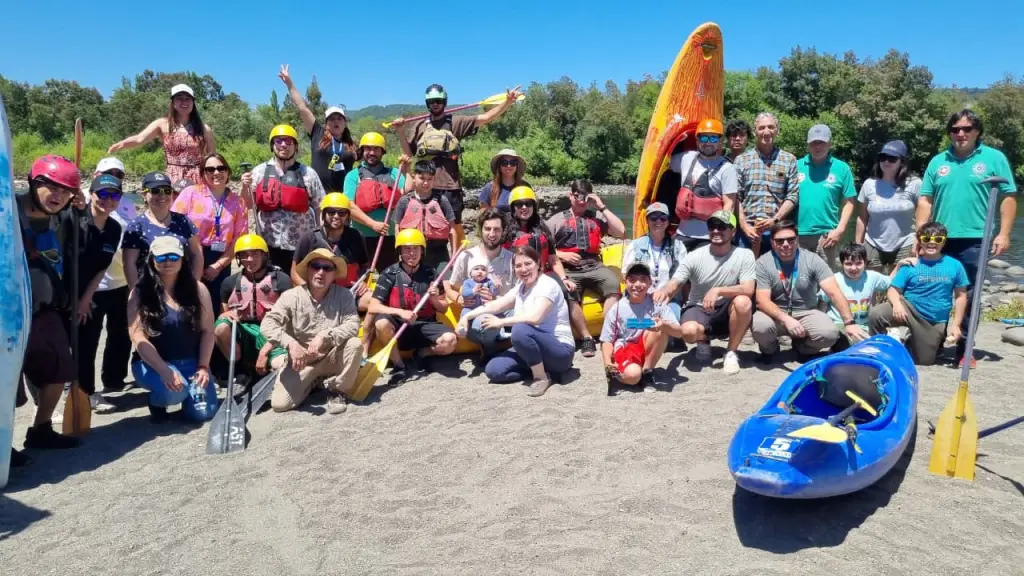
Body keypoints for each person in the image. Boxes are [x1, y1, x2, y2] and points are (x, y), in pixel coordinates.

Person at [916, 109, 1018, 368]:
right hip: (938, 239)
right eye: (955, 129)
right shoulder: (939, 162)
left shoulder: (994, 159)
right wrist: (921, 235)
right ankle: (935, 340)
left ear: (977, 131)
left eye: (966, 129)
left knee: (969, 294)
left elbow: (1008, 197)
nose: (960, 134)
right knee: (935, 289)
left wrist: (1004, 233)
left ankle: (964, 348)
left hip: (975, 239)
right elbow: (925, 200)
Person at [393, 83, 523, 245]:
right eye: (432, 101)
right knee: (423, 224)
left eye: (439, 101)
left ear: (444, 102)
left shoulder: (455, 122)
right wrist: (400, 131)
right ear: (427, 103)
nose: (435, 103)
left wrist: (507, 102)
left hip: (450, 186)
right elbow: (408, 154)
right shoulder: (419, 126)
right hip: (426, 185)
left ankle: (457, 261)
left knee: (454, 226)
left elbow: (485, 118)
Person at [16, 155, 85, 458]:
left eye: (65, 190)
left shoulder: (65, 217)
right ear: (33, 183)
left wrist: (82, 212)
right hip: (9, 314)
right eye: (50, 187)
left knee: (60, 369)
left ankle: (41, 429)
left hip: (45, 309)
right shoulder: (9, 210)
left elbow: (82, 247)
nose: (57, 196)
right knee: (6, 384)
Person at [459, 246, 576, 397]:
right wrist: (466, 317)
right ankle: (541, 368)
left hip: (559, 349)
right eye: (518, 266)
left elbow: (535, 318)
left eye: (528, 264)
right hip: (531, 345)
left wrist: (501, 322)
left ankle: (541, 377)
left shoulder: (548, 285)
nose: (523, 269)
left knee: (520, 329)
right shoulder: (520, 287)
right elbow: (497, 305)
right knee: (494, 371)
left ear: (538, 264)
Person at [260, 248, 363, 414]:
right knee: (280, 405)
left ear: (334, 274)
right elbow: (268, 324)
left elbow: (353, 324)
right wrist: (291, 344)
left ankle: (337, 390)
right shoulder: (290, 296)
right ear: (308, 270)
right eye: (316, 266)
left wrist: (326, 336)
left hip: (331, 355)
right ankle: (315, 380)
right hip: (302, 360)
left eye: (327, 268)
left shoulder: (344, 295)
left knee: (355, 345)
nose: (321, 272)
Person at [127, 236, 217, 423]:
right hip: (154, 364)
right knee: (173, 393)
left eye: (173, 257)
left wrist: (203, 367)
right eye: (161, 257)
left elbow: (208, 331)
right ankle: (159, 401)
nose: (167, 262)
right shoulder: (139, 292)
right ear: (152, 259)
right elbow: (137, 336)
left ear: (182, 259)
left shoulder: (198, 289)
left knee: (203, 414)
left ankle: (188, 396)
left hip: (191, 362)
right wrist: (164, 370)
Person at [654, 210, 755, 374]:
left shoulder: (744, 254)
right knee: (688, 332)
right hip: (698, 307)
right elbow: (675, 282)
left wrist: (718, 290)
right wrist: (664, 292)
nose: (716, 231)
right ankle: (703, 340)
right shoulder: (694, 256)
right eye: (712, 226)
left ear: (733, 231)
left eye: (722, 227)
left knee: (743, 302)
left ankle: (730, 353)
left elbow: (748, 288)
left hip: (725, 310)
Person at [751, 220, 867, 362]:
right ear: (772, 242)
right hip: (775, 313)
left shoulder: (813, 260)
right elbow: (762, 301)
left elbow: (833, 291)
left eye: (791, 239)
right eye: (780, 241)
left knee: (829, 334)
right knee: (760, 326)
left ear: (797, 239)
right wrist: (786, 319)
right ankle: (770, 350)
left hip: (806, 311)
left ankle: (803, 349)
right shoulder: (763, 263)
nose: (786, 244)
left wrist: (849, 322)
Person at [869, 222, 969, 366]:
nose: (932, 243)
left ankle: (910, 340)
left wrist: (956, 325)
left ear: (944, 241)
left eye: (938, 239)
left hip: (933, 318)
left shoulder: (955, 265)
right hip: (908, 307)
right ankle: (878, 350)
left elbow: (961, 296)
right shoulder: (911, 265)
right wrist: (897, 304)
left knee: (923, 361)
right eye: (927, 239)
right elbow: (893, 290)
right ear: (920, 240)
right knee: (876, 314)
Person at [505, 186, 591, 350]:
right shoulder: (507, 232)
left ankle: (586, 337)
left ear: (533, 206)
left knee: (569, 291)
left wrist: (564, 278)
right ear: (513, 208)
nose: (524, 208)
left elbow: (553, 258)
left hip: (545, 274)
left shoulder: (542, 228)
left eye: (528, 204)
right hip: (521, 276)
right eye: (519, 204)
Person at [81, 157, 136, 404]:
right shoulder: (80, 200)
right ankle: (84, 390)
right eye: (109, 173)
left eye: (119, 175)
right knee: (87, 340)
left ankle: (114, 381)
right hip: (90, 286)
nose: (114, 177)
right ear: (96, 175)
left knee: (120, 335)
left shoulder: (123, 209)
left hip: (119, 279)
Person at [367, 228, 457, 376]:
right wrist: (400, 312)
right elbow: (373, 306)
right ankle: (399, 365)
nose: (411, 253)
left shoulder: (431, 273)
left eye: (416, 249)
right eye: (407, 249)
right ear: (400, 252)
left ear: (422, 251)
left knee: (450, 342)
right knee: (381, 323)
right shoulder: (389, 274)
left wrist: (434, 299)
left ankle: (422, 353)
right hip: (399, 326)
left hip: (425, 325)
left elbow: (444, 308)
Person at [240, 124, 326, 272]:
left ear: (296, 146)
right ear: (272, 145)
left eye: (288, 141)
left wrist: (321, 237)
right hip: (267, 243)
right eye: (279, 141)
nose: (284, 145)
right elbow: (247, 205)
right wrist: (244, 187)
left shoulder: (308, 174)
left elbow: (320, 207)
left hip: (300, 244)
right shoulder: (259, 172)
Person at [548, 180, 627, 339]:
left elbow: (622, 231)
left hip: (594, 266)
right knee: (569, 294)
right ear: (571, 195)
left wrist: (601, 206)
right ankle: (586, 337)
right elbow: (544, 248)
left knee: (613, 284)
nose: (582, 201)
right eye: (577, 196)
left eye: (586, 197)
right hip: (569, 269)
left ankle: (608, 332)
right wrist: (562, 255)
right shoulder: (556, 220)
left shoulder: (597, 217)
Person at [171, 153, 248, 316]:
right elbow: (173, 225)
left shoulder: (238, 202)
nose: (216, 173)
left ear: (228, 172)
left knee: (214, 308)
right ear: (202, 173)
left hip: (221, 260)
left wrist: (218, 266)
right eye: (210, 169)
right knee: (187, 305)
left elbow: (240, 239)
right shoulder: (190, 193)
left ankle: (212, 341)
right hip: (190, 255)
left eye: (221, 168)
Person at [72, 174, 124, 414]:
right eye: (102, 194)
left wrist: (85, 301)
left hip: (88, 292)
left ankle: (87, 393)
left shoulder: (114, 228)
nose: (108, 200)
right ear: (91, 193)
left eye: (114, 196)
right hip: (62, 290)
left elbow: (102, 266)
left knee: (87, 342)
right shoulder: (74, 218)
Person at [214, 234, 291, 379]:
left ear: (264, 255)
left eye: (255, 254)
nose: (249, 260)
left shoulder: (281, 280)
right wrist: (224, 315)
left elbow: (291, 319)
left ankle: (275, 367)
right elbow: (222, 314)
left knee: (278, 362)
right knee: (220, 327)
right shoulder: (229, 283)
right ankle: (238, 368)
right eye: (244, 256)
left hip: (272, 332)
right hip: (244, 332)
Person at [108, 84, 215, 183]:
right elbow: (139, 139)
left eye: (188, 99)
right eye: (179, 98)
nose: (184, 102)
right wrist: (121, 144)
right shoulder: (162, 124)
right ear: (173, 102)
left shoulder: (204, 129)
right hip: (173, 179)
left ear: (193, 102)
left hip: (198, 180)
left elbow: (212, 159)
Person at [446, 209, 516, 358]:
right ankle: (493, 350)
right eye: (487, 229)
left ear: (503, 231)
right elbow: (451, 289)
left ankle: (505, 346)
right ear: (480, 230)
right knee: (485, 325)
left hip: (505, 311)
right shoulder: (466, 256)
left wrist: (496, 301)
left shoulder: (512, 259)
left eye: (497, 229)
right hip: (476, 316)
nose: (492, 234)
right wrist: (460, 298)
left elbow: (519, 294)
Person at [601, 262, 682, 389]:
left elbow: (679, 332)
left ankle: (647, 372)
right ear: (625, 282)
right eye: (632, 280)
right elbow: (607, 340)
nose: (637, 285)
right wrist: (607, 363)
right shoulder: (616, 308)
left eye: (643, 280)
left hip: (646, 346)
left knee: (659, 329)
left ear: (650, 283)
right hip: (625, 348)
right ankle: (622, 374)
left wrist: (664, 325)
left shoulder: (658, 304)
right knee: (633, 376)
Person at [819, 243, 913, 351]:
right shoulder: (834, 280)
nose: (853, 268)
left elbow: (889, 281)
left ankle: (886, 339)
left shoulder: (871, 276)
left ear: (865, 262)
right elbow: (821, 302)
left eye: (858, 263)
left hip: (865, 325)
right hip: (841, 325)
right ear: (841, 264)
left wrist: (899, 266)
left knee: (873, 340)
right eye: (848, 264)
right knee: (849, 342)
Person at [278, 64, 356, 192]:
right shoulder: (317, 134)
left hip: (343, 198)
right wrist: (289, 83)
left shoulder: (352, 145)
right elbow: (302, 108)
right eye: (331, 119)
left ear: (345, 123)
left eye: (339, 119)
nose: (335, 121)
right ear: (326, 124)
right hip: (318, 195)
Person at [122, 171, 203, 291]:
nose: (162, 196)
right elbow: (129, 263)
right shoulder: (136, 226)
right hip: (149, 289)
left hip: (183, 288)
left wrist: (195, 284)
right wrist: (137, 293)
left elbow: (197, 254)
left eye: (167, 191)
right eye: (155, 191)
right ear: (144, 195)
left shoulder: (183, 221)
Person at [734, 112, 800, 256]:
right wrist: (744, 226)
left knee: (776, 275)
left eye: (771, 127)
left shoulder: (789, 160)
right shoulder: (741, 160)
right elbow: (735, 196)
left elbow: (793, 195)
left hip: (777, 232)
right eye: (761, 128)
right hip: (748, 231)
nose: (766, 131)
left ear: (777, 130)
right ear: (755, 131)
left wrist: (774, 220)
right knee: (745, 276)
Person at [669, 119, 739, 251]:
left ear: (719, 142)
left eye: (713, 138)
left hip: (710, 237)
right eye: (704, 137)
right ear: (697, 140)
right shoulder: (686, 158)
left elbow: (729, 205)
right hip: (683, 234)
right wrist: (675, 139)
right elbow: (661, 160)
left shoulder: (727, 169)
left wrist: (721, 236)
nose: (707, 142)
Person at [291, 193, 370, 311]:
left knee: (373, 302)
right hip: (318, 296)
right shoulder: (309, 238)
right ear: (324, 215)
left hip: (349, 292)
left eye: (342, 213)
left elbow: (365, 266)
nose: (336, 216)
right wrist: (309, 292)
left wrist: (363, 282)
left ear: (348, 216)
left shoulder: (356, 236)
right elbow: (294, 272)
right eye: (331, 212)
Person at [343, 131, 408, 272]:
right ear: (362, 151)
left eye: (376, 149)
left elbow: (406, 193)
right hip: (361, 237)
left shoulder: (395, 173)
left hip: (390, 236)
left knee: (390, 277)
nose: (372, 152)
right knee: (363, 278)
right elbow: (349, 206)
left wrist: (407, 168)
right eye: (368, 148)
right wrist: (372, 224)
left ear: (382, 152)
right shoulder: (353, 176)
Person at [795, 124, 856, 272]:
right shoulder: (796, 165)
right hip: (797, 234)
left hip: (827, 236)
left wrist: (840, 230)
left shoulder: (842, 168)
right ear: (808, 145)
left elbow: (849, 202)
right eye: (814, 143)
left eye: (821, 142)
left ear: (830, 144)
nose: (818, 147)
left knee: (827, 280)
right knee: (799, 280)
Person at [855, 140, 922, 274]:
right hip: (873, 243)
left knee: (899, 286)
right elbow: (862, 218)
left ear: (902, 162)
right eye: (882, 158)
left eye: (892, 158)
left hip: (905, 243)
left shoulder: (915, 183)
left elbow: (923, 217)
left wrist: (918, 242)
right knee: (870, 286)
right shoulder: (869, 184)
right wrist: (858, 245)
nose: (886, 162)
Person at [391, 160, 457, 271]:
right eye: (421, 178)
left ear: (434, 180)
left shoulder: (442, 201)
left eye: (430, 179)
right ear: (414, 177)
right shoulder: (404, 201)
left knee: (443, 284)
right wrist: (399, 251)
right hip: (413, 252)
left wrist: (454, 255)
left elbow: (452, 230)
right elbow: (397, 227)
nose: (426, 183)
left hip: (439, 252)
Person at [622, 202, 688, 307]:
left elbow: (682, 277)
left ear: (668, 222)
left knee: (672, 317)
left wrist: (666, 294)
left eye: (663, 218)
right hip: (640, 298)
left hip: (669, 299)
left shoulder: (679, 247)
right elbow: (626, 273)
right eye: (653, 218)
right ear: (647, 221)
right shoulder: (634, 246)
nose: (658, 221)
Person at [478, 149, 529, 214]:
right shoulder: (489, 188)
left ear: (517, 165)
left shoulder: (525, 187)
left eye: (513, 162)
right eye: (504, 163)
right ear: (499, 166)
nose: (509, 166)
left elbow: (531, 210)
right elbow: (484, 215)